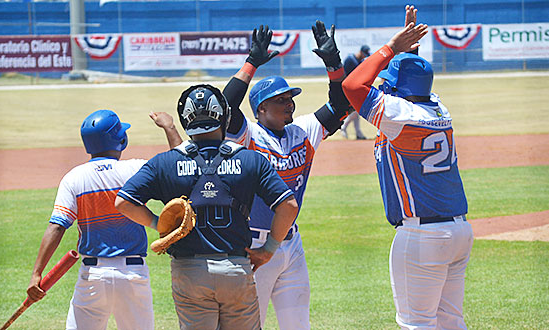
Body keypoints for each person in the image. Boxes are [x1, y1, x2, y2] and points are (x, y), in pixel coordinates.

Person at [114, 84, 299, 330]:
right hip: (235, 267)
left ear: (185, 120)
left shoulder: (164, 162)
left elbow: (123, 202)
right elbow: (288, 205)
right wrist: (269, 249)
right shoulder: (250, 159)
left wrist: (159, 224)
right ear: (224, 116)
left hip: (189, 271)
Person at [342, 6, 474, 329]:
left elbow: (352, 86)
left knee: (417, 323)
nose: (382, 87)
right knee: (450, 322)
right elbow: (414, 84)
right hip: (458, 231)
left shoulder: (400, 114)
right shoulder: (437, 107)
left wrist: (392, 49)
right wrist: (409, 54)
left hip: (422, 235)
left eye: (388, 82)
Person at [221, 23, 352, 329]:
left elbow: (342, 105)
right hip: (252, 248)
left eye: (290, 98)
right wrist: (251, 62)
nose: (289, 103)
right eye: (280, 99)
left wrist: (333, 65)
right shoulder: (246, 135)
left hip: (291, 246)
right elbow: (226, 106)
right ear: (261, 108)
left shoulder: (303, 131)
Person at [26, 109, 183, 330]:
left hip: (92, 277)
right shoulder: (135, 169)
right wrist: (169, 127)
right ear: (121, 139)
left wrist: (37, 274)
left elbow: (57, 227)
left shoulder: (74, 178)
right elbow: (182, 165)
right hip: (133, 275)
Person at [340, 44, 371, 140]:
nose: (365, 56)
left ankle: (358, 133)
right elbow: (344, 75)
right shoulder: (350, 60)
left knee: (356, 110)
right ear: (360, 52)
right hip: (348, 88)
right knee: (356, 110)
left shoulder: (360, 61)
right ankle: (344, 126)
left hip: (356, 89)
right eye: (364, 54)